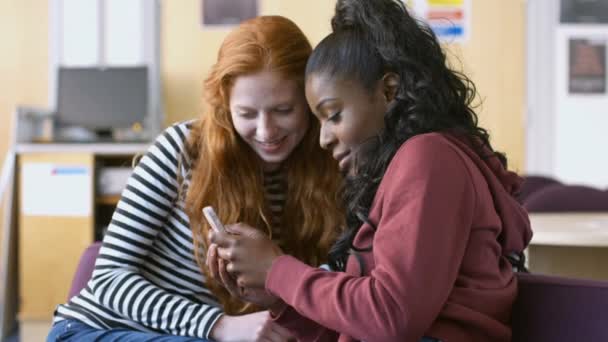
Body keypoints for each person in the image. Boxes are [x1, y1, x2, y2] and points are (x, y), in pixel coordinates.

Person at [208, 1, 533, 341]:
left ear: (388, 91)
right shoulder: (404, 169)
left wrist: (278, 270)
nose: (323, 139)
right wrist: (279, 296)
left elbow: (391, 316)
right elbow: (365, 321)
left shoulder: (429, 158)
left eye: (333, 115)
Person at [47, 15, 343, 342]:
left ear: (310, 99)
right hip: (101, 329)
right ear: (225, 105)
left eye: (283, 110)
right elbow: (107, 279)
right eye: (246, 113)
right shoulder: (182, 148)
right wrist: (218, 325)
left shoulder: (333, 162)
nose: (266, 131)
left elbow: (335, 284)